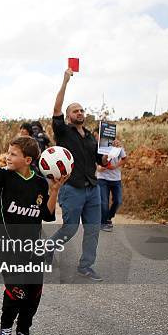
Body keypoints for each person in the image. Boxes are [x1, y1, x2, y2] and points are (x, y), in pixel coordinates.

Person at [0, 124, 67, 335]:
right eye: (8, 152)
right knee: (15, 289)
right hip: (8, 247)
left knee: (33, 291)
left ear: (28, 160)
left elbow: (47, 215)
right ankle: (5, 327)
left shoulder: (40, 183)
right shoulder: (4, 178)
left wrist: (55, 190)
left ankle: (24, 331)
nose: (7, 157)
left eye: (13, 154)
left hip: (33, 249)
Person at [49, 68, 113, 281]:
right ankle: (48, 248)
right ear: (68, 116)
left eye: (82, 110)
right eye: (75, 111)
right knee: (70, 229)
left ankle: (85, 266)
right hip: (72, 188)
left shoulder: (90, 138)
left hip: (92, 188)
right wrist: (65, 81)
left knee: (93, 230)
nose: (80, 113)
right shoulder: (63, 132)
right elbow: (56, 108)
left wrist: (107, 153)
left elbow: (100, 161)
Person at [93, 128, 127, 232]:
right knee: (104, 202)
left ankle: (108, 218)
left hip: (116, 178)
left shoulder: (117, 145)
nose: (96, 138)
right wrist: (97, 168)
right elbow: (92, 160)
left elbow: (125, 158)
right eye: (94, 136)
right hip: (102, 178)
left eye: (97, 135)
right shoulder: (97, 147)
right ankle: (104, 223)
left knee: (118, 201)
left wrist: (115, 166)